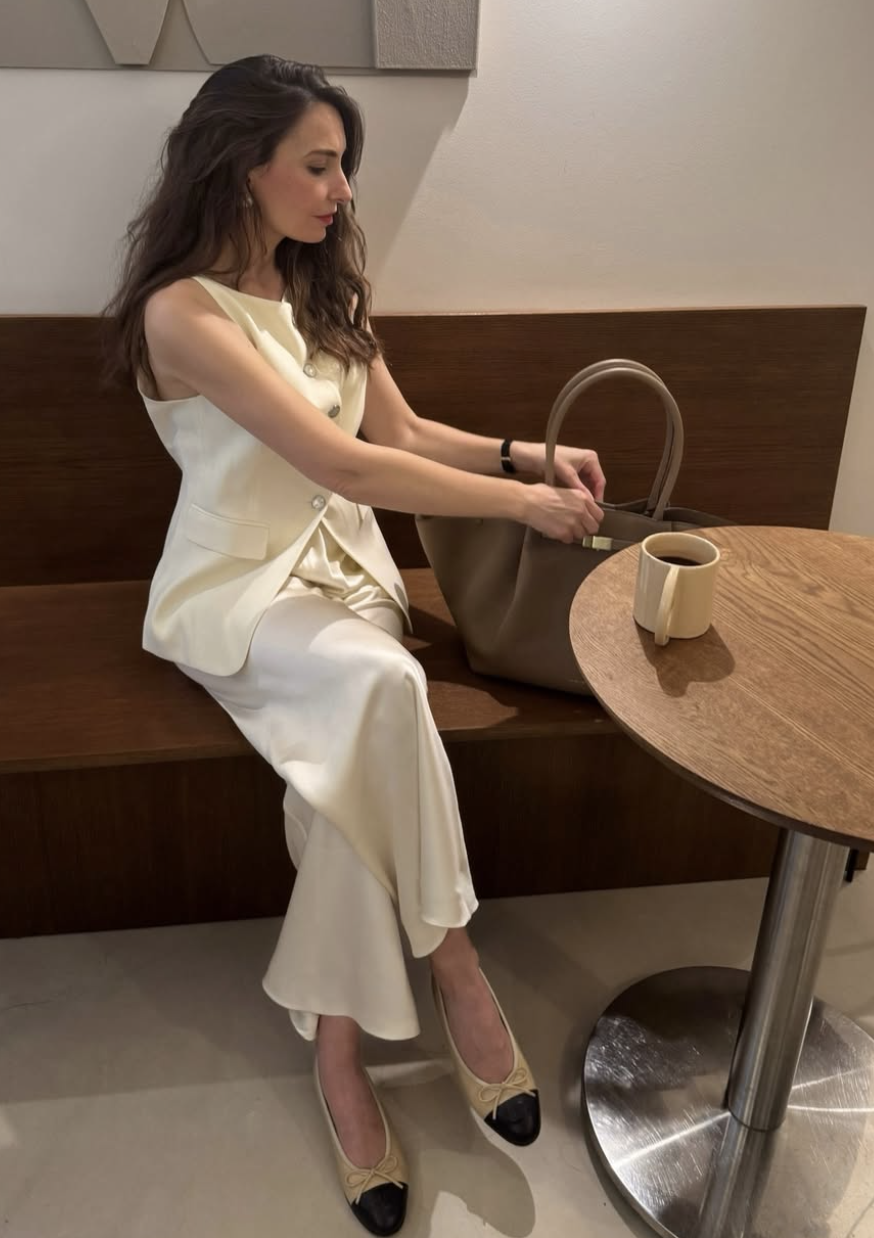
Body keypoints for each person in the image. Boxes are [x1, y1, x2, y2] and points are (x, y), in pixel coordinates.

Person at [107, 55, 606, 1237]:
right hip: (235, 588)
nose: (340, 191)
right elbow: (335, 463)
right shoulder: (180, 311)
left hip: (346, 573)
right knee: (384, 690)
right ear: (245, 165)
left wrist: (528, 456)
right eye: (320, 165)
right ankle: (456, 968)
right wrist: (519, 510)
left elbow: (406, 431)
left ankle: (339, 1056)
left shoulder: (324, 288)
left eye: (344, 167)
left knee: (347, 771)